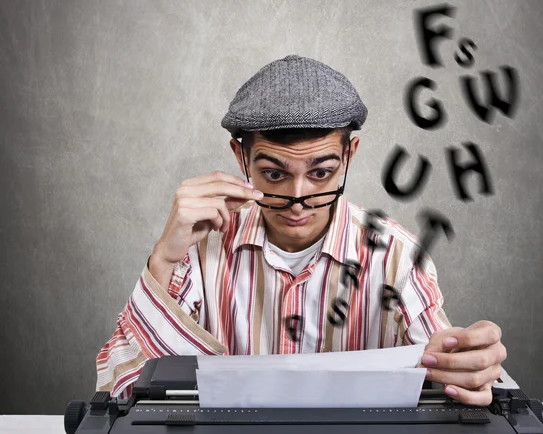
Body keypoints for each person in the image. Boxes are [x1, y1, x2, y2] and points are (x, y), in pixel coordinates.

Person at [96, 55, 506, 406]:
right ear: (241, 156)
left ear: (349, 155)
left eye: (321, 173)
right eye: (274, 173)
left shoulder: (397, 258)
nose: (297, 198)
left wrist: (467, 368)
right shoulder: (198, 251)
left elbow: (451, 378)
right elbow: (118, 388)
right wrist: (164, 258)